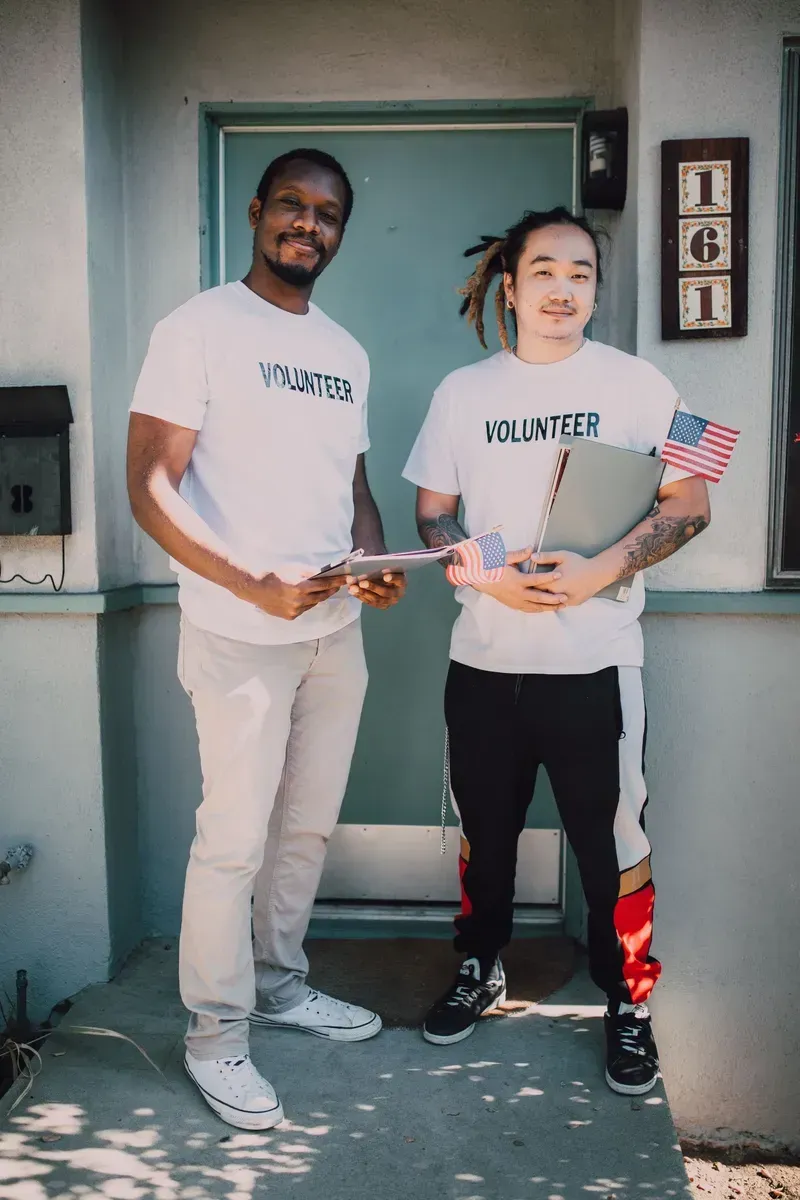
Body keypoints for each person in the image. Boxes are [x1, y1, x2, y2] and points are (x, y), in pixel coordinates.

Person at [127, 148, 405, 1130]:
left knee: (305, 829)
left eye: (327, 214)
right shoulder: (197, 328)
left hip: (334, 633)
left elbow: (355, 492)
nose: (308, 224)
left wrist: (369, 561)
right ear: (255, 213)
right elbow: (150, 486)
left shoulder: (345, 351)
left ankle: (281, 989)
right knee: (233, 841)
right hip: (238, 629)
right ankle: (216, 1036)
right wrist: (253, 582)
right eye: (291, 205)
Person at [403, 207, 710, 1096]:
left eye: (581, 273)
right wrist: (492, 575)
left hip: (597, 665)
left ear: (595, 290)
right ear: (512, 284)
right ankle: (480, 965)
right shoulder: (463, 394)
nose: (564, 288)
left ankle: (629, 1004)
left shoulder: (645, 386)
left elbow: (691, 504)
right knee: (485, 834)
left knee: (612, 843)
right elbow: (434, 513)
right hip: (486, 663)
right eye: (545, 270)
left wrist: (594, 573)